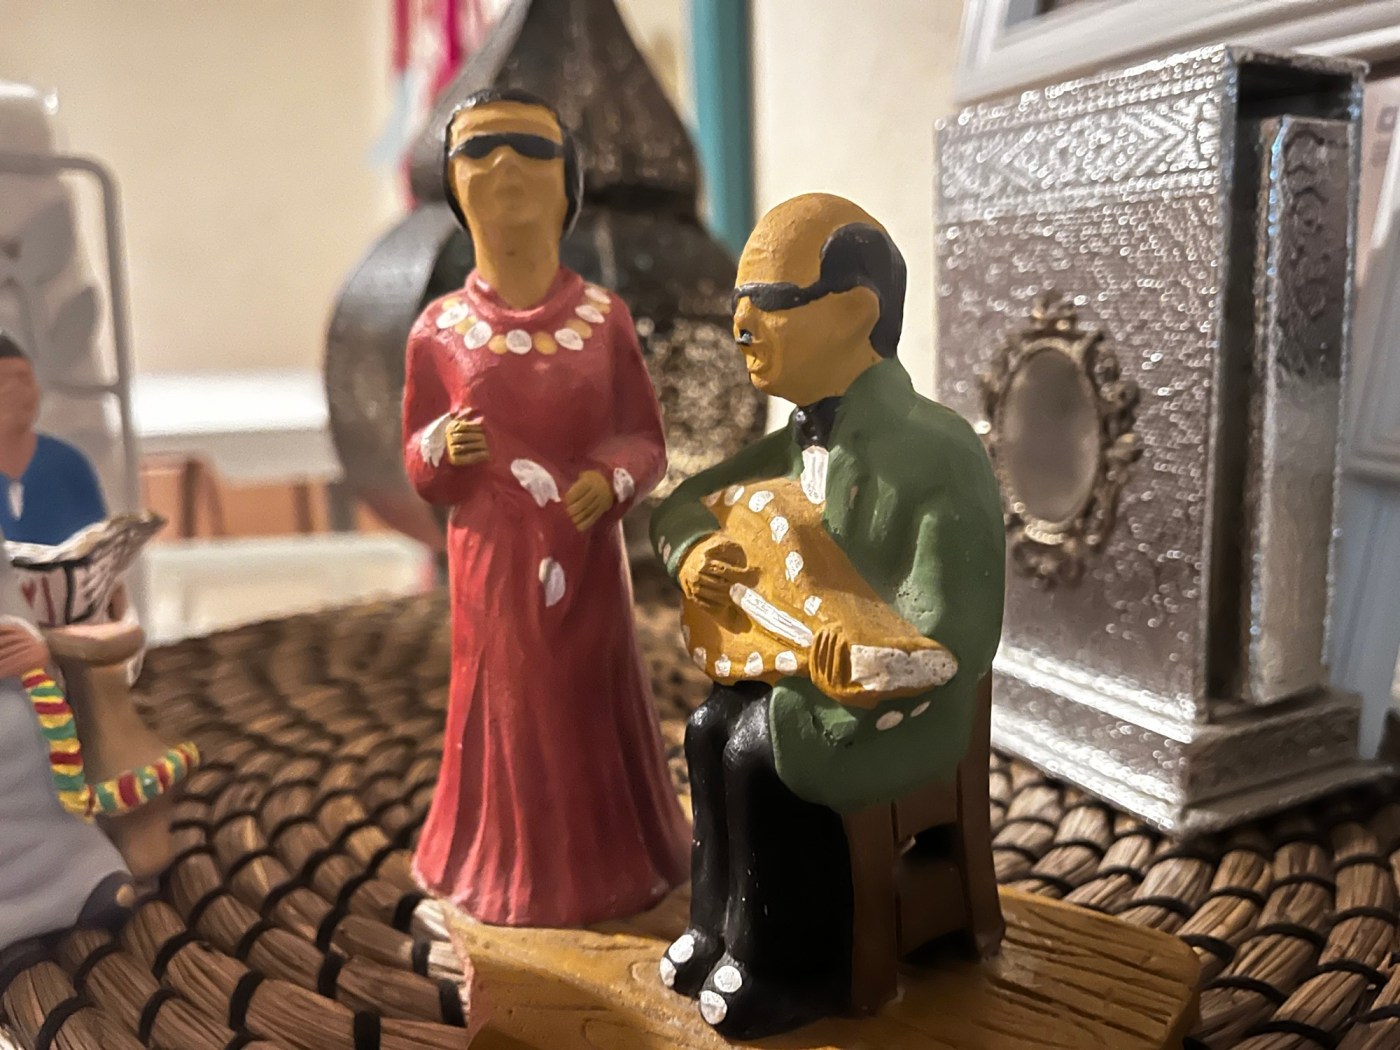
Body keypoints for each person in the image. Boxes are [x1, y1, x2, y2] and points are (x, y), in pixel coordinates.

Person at [650, 194, 1006, 1037]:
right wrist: (695, 555)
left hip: (909, 702)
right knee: (707, 728)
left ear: (855, 311)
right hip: (802, 676)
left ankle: (793, 965)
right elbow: (680, 509)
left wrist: (882, 658)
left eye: (769, 303)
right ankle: (718, 927)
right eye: (739, 305)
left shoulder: (941, 449)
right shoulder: (789, 443)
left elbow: (960, 628)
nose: (741, 328)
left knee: (759, 749)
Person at [401, 88, 688, 926]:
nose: (505, 167)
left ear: (569, 184)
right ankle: (502, 864)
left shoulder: (605, 319)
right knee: (510, 704)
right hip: (491, 565)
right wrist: (441, 449)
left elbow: (646, 437)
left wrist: (613, 478)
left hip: (588, 556)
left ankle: (613, 856)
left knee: (585, 696)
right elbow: (416, 460)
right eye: (479, 150)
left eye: (531, 149)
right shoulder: (437, 330)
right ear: (454, 186)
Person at [0, 331, 107, 546]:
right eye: (3, 382)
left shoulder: (68, 463)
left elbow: (100, 546)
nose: (19, 392)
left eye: (25, 379)